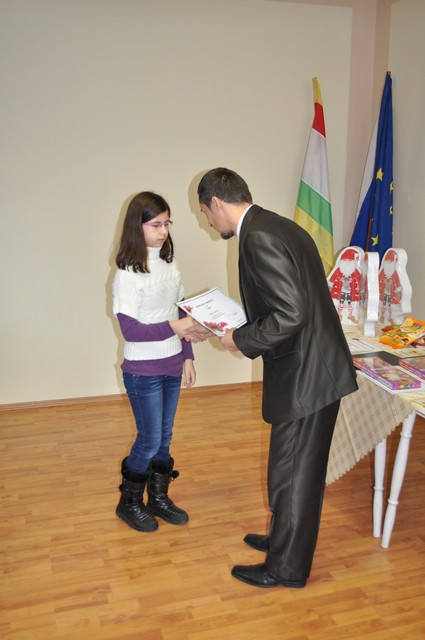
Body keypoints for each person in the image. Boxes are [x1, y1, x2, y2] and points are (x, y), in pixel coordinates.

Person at [196, 168, 358, 588]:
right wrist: (237, 325)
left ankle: (287, 569)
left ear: (216, 202)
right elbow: (291, 302)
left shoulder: (257, 237)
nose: (208, 222)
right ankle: (282, 541)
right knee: (288, 469)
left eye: (205, 213)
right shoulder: (278, 226)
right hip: (312, 367)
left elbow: (291, 313)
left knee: (296, 474)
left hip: (309, 375)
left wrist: (239, 339)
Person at [112, 191, 205, 533]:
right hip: (142, 372)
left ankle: (158, 498)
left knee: (164, 439)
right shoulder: (127, 274)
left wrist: (187, 356)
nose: (163, 231)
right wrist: (175, 328)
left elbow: (182, 313)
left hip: (171, 365)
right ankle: (129, 502)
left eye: (167, 223)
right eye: (155, 225)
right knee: (149, 440)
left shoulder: (170, 265)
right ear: (137, 227)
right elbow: (131, 331)